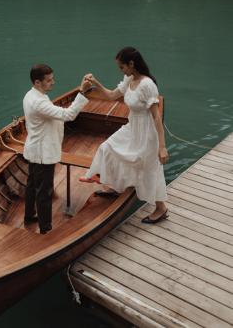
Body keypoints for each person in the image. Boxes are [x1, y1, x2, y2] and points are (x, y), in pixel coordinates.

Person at [80, 47, 169, 224]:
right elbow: (112, 96)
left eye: (122, 67)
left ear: (131, 63)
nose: (120, 70)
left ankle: (161, 209)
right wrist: (95, 82)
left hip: (147, 130)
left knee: (147, 167)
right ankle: (114, 185)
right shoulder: (129, 79)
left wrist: (162, 146)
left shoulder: (147, 85)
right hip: (132, 126)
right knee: (107, 147)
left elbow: (156, 116)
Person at [23, 64, 91, 234]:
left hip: (34, 150)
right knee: (44, 192)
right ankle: (46, 229)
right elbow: (69, 115)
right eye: (49, 80)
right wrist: (81, 92)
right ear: (38, 82)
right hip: (42, 154)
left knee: (32, 185)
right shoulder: (38, 102)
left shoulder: (31, 95)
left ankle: (29, 215)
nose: (53, 82)